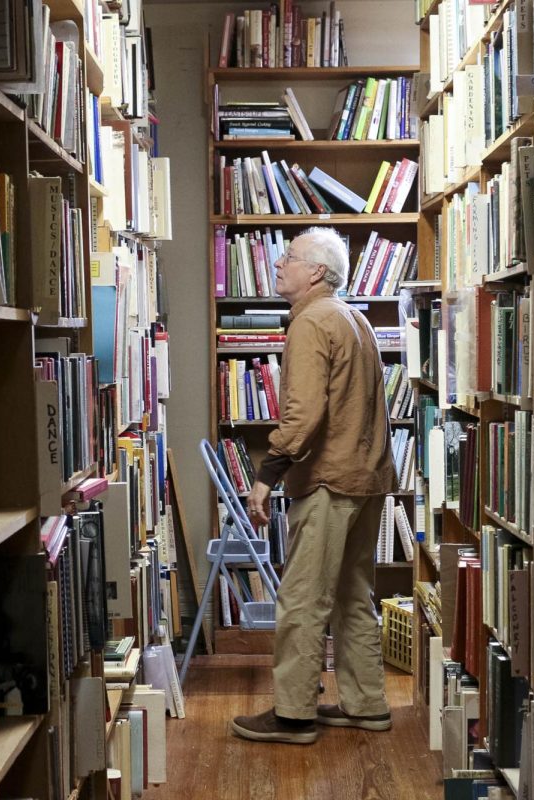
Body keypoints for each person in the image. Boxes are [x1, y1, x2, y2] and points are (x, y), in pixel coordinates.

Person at [230, 227, 396, 745]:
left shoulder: (310, 323)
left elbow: (303, 414)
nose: (280, 263)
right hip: (366, 480)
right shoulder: (355, 318)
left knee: (302, 598)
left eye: (291, 258)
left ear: (316, 273)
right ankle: (366, 703)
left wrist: (266, 475)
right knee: (353, 595)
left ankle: (294, 714)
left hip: (327, 482)